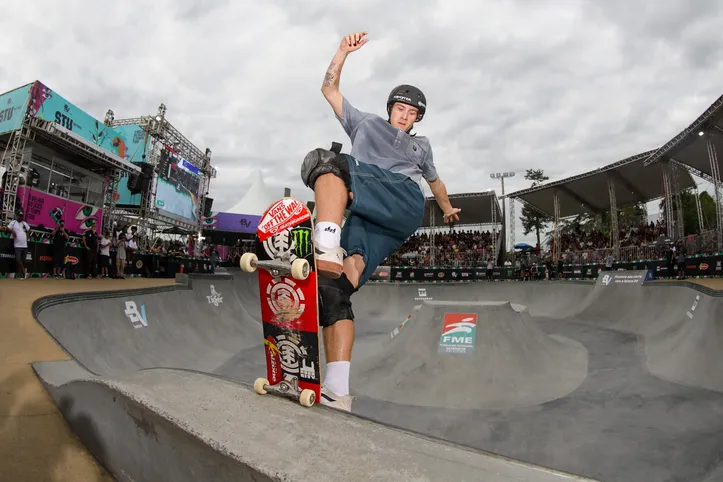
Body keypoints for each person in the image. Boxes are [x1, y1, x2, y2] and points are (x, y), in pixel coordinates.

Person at [300, 31, 460, 411]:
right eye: (401, 109)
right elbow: (329, 89)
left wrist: (448, 207)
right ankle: (338, 390)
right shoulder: (365, 123)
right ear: (390, 108)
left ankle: (324, 243)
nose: (405, 117)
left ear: (417, 119)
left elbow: (434, 182)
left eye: (413, 114)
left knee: (326, 162)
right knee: (334, 292)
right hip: (371, 212)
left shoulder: (421, 147)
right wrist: (341, 51)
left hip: (403, 199)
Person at [2, 212, 30, 279]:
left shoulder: (24, 223)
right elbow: (7, 228)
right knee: (18, 260)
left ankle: (20, 275)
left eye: (21, 216)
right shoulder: (13, 222)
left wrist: (27, 235)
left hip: (25, 245)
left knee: (22, 261)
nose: (20, 217)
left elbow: (29, 229)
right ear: (16, 216)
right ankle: (23, 271)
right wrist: (12, 231)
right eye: (19, 216)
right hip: (17, 245)